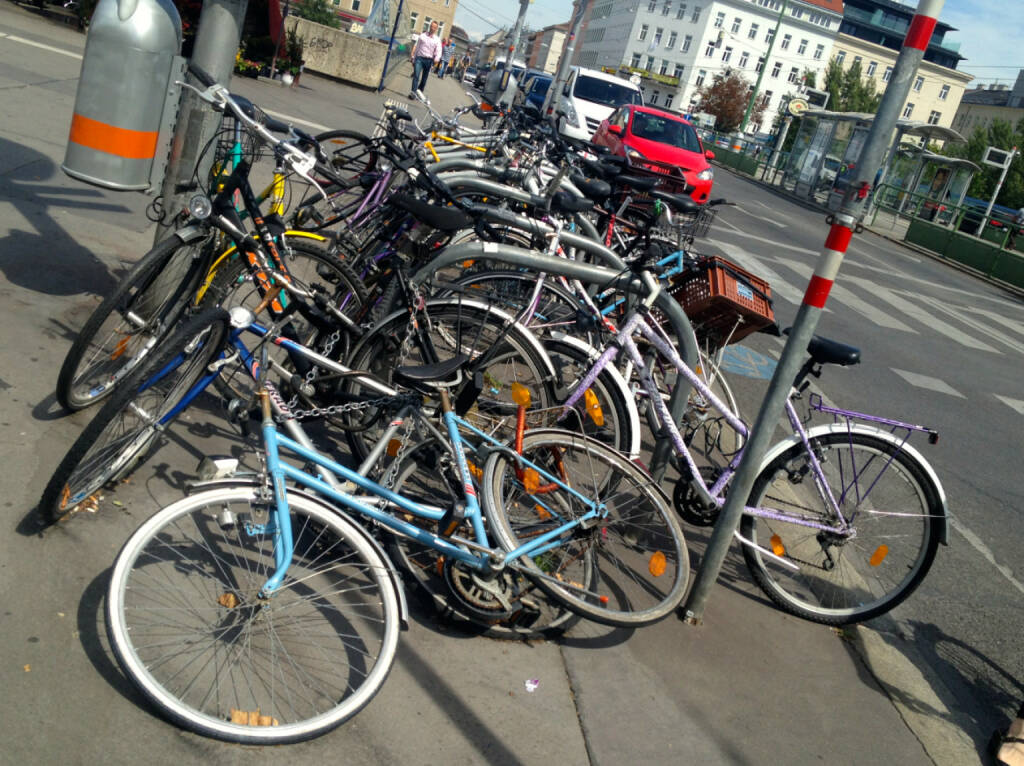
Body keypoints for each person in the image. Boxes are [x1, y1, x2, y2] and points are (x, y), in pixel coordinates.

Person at [410, 21, 441, 100]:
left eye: (434, 27)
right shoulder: (422, 36)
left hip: (429, 60)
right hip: (420, 58)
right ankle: (413, 93)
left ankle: (419, 93)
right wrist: (413, 57)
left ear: (436, 29)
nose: (432, 28)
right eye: (431, 26)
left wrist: (436, 59)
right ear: (429, 26)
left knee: (424, 79)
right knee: (416, 76)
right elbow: (417, 47)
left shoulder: (437, 40)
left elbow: (438, 51)